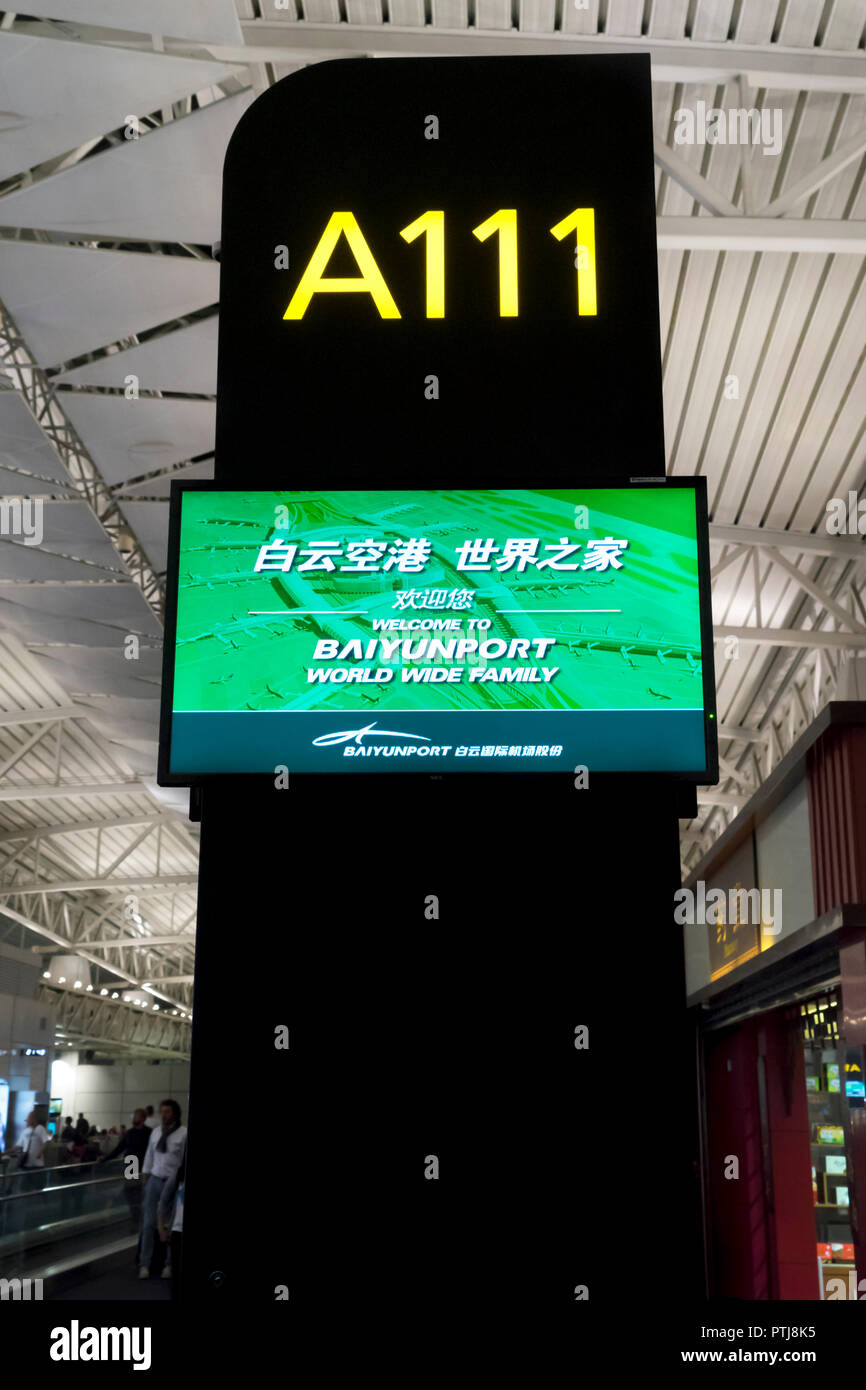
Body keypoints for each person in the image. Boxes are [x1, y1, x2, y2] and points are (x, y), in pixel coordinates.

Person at [139, 1100, 187, 1280]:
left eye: (167, 1111)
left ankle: (169, 1264)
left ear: (175, 1113)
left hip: (174, 1182)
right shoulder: (156, 1132)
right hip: (155, 1180)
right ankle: (145, 1263)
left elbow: (183, 1160)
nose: (163, 1115)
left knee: (173, 1225)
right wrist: (145, 1177)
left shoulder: (183, 1133)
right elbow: (149, 1156)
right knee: (148, 1223)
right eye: (162, 1112)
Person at [157, 1135, 186, 1301]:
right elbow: (163, 1202)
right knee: (177, 1275)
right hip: (177, 1230)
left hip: (178, 1231)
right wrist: (162, 1228)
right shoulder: (178, 1176)